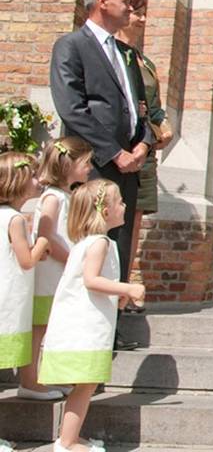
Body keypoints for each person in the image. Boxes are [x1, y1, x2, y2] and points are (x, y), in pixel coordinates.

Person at [49, 0, 153, 352]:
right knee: (91, 247)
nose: (131, 9)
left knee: (118, 247)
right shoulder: (72, 46)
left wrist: (143, 143)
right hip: (95, 166)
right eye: (126, 2)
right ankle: (83, 336)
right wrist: (113, 152)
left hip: (128, 165)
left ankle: (109, 329)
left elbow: (140, 107)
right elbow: (72, 107)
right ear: (102, 3)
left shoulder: (126, 54)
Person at [39, 179, 146, 452]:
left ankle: (70, 438)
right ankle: (67, 442)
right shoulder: (100, 243)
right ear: (105, 211)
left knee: (84, 388)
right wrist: (128, 287)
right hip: (86, 328)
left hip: (83, 324)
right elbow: (91, 280)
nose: (124, 206)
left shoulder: (87, 243)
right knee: (85, 388)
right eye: (119, 202)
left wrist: (118, 298)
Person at [21, 137, 94, 399]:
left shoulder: (67, 195)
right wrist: (73, 261)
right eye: (86, 163)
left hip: (61, 273)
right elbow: (47, 237)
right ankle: (28, 381)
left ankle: (47, 376)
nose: (90, 168)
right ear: (68, 164)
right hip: (49, 274)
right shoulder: (53, 198)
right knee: (39, 327)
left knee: (52, 326)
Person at [115, 0, 173, 289]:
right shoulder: (113, 55)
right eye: (137, 13)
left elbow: (154, 108)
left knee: (135, 221)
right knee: (113, 221)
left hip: (146, 153)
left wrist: (164, 125)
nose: (143, 18)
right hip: (119, 151)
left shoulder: (145, 62)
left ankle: (123, 286)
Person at [0, 154, 50, 397]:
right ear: (17, 181)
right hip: (8, 300)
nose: (38, 179)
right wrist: (43, 240)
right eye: (32, 175)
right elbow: (26, 261)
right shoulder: (15, 219)